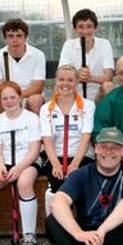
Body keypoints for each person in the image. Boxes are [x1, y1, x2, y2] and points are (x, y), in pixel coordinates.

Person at [0, 81, 42, 245]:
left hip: (27, 162)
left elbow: (34, 151)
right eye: (5, 98)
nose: (9, 101)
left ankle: (29, 234)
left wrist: (19, 168)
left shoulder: (32, 118)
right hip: (4, 163)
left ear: (20, 97)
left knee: (24, 183)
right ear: (0, 101)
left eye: (13, 97)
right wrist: (0, 167)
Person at [41, 65, 96, 216]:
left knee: (79, 182)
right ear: (55, 81)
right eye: (61, 79)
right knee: (57, 186)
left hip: (81, 156)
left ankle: (85, 225)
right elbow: (47, 139)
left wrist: (75, 165)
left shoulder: (88, 106)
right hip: (55, 156)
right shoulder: (46, 108)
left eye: (70, 80)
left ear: (77, 82)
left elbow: (86, 137)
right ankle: (55, 226)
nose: (65, 84)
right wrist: (56, 164)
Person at [0, 18, 46, 115]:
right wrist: (10, 97)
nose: (15, 40)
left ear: (25, 37)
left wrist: (17, 96)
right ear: (5, 38)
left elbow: (38, 86)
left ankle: (38, 129)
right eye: (10, 36)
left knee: (36, 100)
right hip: (6, 97)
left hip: (28, 97)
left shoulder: (38, 55)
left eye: (19, 36)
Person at [58, 9, 114, 102]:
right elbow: (61, 74)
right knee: (58, 87)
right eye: (80, 27)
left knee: (108, 86)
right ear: (75, 28)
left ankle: (106, 116)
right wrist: (77, 76)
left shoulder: (104, 44)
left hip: (98, 96)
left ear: (94, 28)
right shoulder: (68, 45)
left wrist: (90, 78)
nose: (85, 31)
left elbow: (108, 76)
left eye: (89, 26)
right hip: (74, 94)